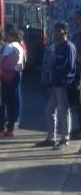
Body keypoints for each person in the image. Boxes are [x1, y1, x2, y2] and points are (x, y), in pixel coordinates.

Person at [35, 22, 77, 150]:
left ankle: (65, 138)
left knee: (64, 111)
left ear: (64, 31)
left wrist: (57, 71)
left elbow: (68, 67)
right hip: (55, 83)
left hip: (63, 83)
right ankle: (51, 137)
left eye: (56, 31)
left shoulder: (68, 47)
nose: (54, 33)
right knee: (49, 110)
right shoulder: (57, 46)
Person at [0, 24, 25, 137]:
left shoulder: (8, 47)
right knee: (13, 102)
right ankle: (10, 128)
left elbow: (1, 61)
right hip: (16, 75)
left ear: (10, 34)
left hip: (6, 75)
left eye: (6, 34)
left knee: (1, 102)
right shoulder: (20, 46)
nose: (4, 36)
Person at [69, 11, 81, 140]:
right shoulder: (75, 35)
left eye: (77, 18)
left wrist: (76, 58)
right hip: (75, 72)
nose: (75, 21)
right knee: (75, 102)